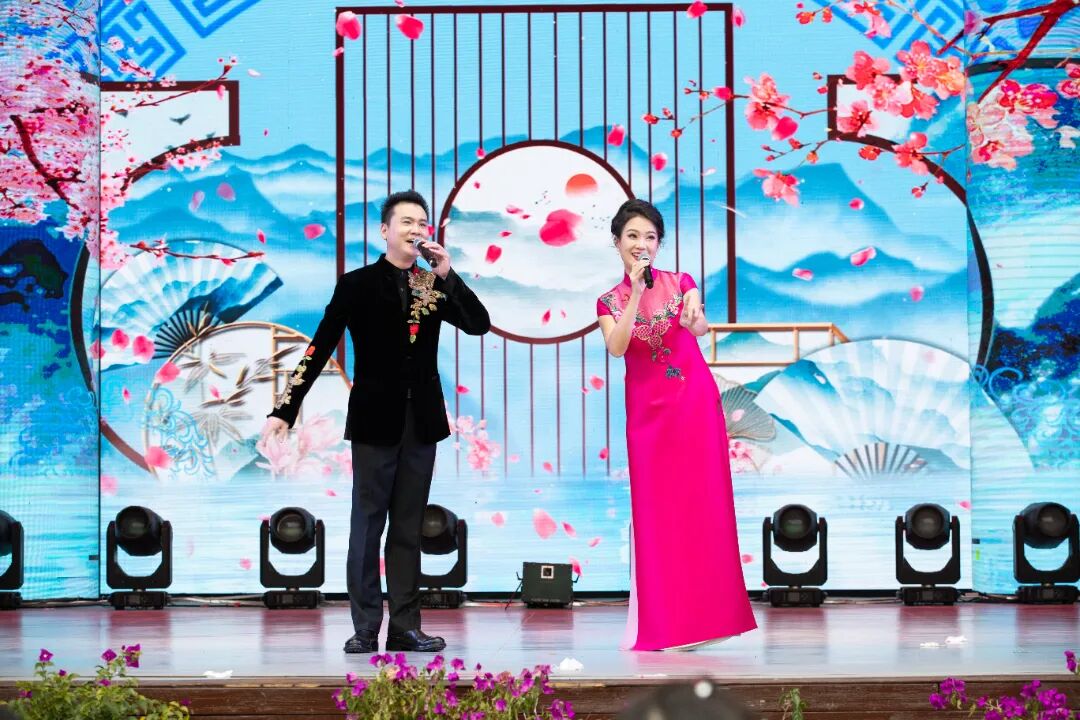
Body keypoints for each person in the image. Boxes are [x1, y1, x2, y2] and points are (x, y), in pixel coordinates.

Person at [260, 190, 491, 653]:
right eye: (406, 222)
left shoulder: (432, 284)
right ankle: (365, 627)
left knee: (407, 526)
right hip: (373, 420)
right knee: (367, 526)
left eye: (421, 223)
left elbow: (478, 323)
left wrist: (448, 275)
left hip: (422, 422)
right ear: (384, 230)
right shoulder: (357, 284)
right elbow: (318, 347)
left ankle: (405, 626)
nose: (415, 230)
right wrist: (284, 409)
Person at [596, 198, 757, 651]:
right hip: (648, 417)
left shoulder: (681, 282)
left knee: (704, 505)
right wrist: (634, 292)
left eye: (650, 237)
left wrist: (695, 315)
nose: (642, 244)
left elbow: (699, 327)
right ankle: (667, 624)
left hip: (693, 404)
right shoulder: (608, 301)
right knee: (657, 514)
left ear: (658, 243)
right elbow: (618, 346)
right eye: (633, 236)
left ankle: (713, 619)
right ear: (617, 242)